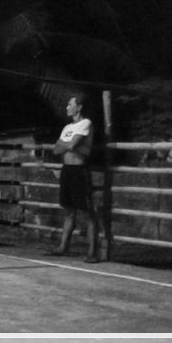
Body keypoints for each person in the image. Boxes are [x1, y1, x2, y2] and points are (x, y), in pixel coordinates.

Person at [48, 93, 109, 262]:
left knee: (87, 212)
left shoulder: (85, 123)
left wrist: (67, 145)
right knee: (68, 210)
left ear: (79, 107)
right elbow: (56, 150)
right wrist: (69, 146)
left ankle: (92, 252)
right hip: (67, 169)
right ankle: (63, 246)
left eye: (70, 104)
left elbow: (72, 145)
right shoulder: (67, 128)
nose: (67, 107)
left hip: (79, 170)